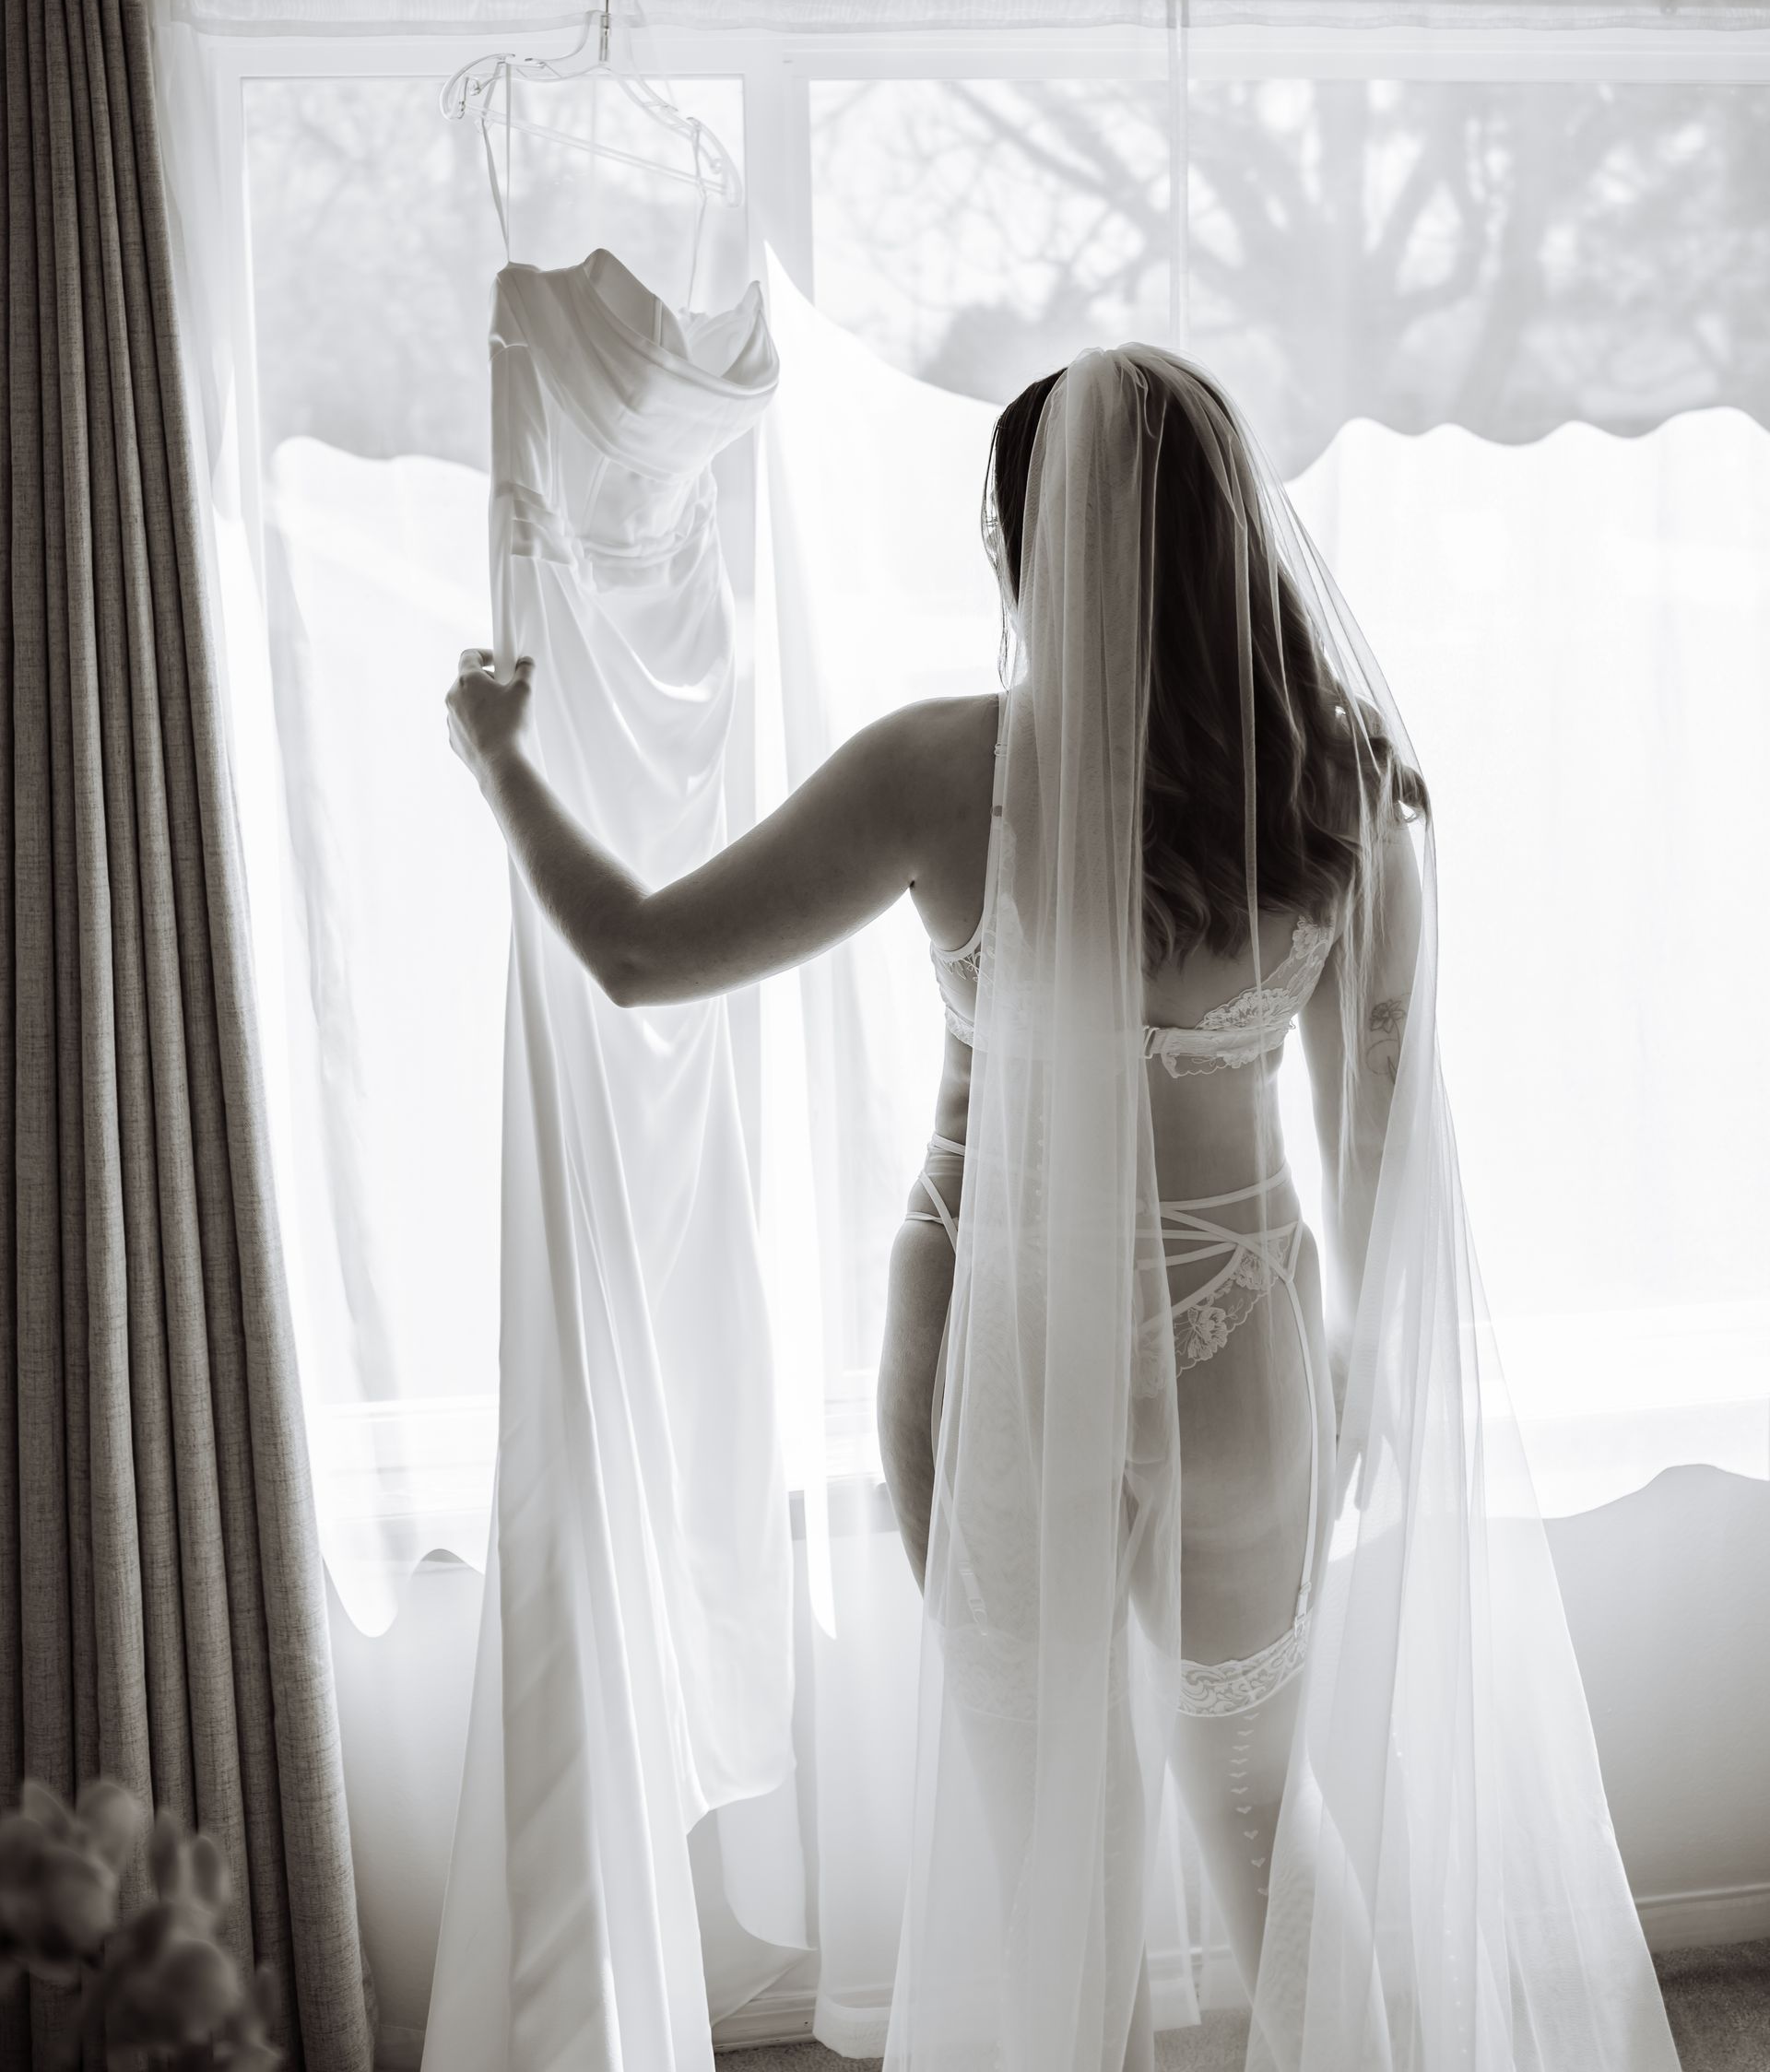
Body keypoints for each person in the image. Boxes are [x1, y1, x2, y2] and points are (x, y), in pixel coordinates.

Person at [448, 346, 1679, 2072]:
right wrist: (1365, 1390)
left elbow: (645, 958)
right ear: (1234, 535)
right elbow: (1380, 1154)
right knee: (1262, 1821)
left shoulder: (942, 774)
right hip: (1247, 1352)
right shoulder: (1345, 792)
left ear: (1035, 545)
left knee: (1045, 1848)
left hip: (991, 1337)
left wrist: (500, 761)